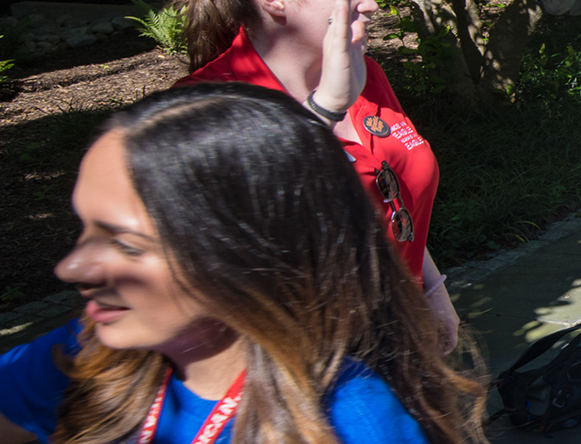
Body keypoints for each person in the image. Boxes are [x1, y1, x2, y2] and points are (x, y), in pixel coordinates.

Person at [0, 84, 487, 444]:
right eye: (85, 228)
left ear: (250, 253)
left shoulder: (352, 425)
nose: (72, 268)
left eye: (126, 244)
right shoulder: (88, 355)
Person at [168, 0, 459, 347]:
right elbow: (236, 247)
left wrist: (434, 294)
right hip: (298, 365)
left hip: (397, 339)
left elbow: (392, 200)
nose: (373, 5)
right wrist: (325, 111)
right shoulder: (204, 108)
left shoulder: (363, 74)